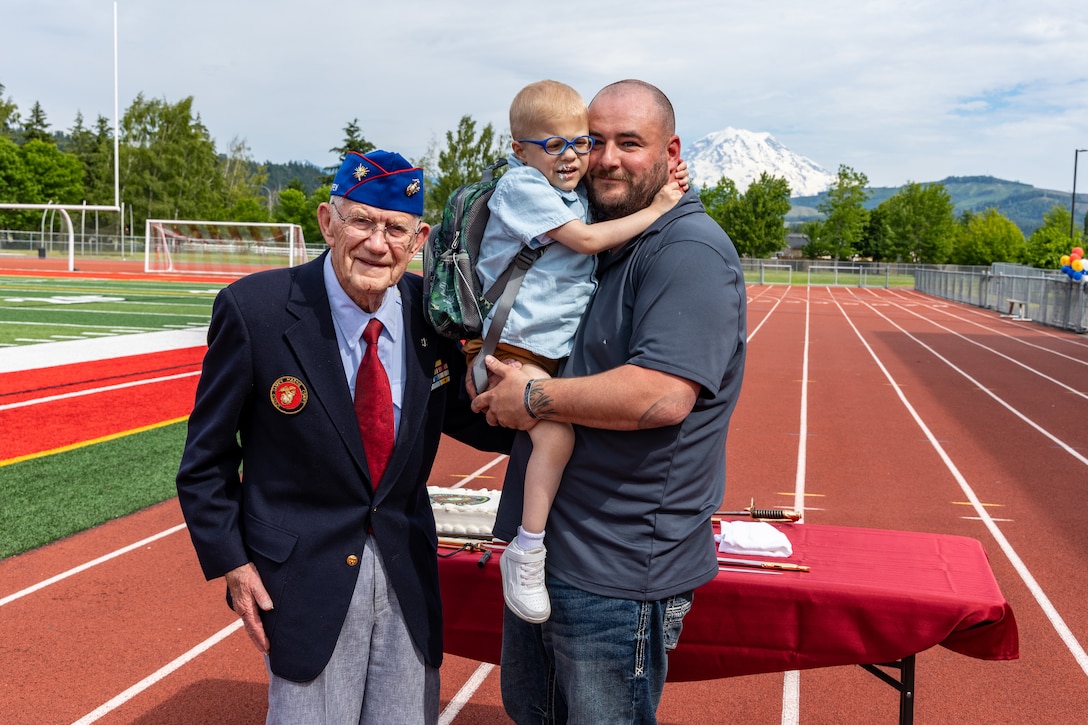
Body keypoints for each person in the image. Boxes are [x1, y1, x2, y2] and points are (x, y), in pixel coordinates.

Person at [176, 150, 511, 725]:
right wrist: (231, 563)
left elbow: (469, 415)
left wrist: (545, 406)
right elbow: (205, 460)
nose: (377, 244)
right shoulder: (254, 310)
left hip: (406, 570)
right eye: (361, 221)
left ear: (418, 238)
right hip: (301, 579)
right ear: (327, 222)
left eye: (395, 229)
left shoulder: (433, 315)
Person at [472, 79, 748, 724]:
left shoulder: (689, 252)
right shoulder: (609, 236)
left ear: (670, 150)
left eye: (631, 143)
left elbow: (659, 398)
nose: (606, 158)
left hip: (617, 570)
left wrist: (533, 396)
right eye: (596, 141)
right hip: (555, 557)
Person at [464, 79, 682, 624]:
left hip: (539, 350)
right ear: (519, 150)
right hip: (507, 350)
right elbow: (586, 241)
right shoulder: (523, 188)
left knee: (565, 429)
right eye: (553, 144)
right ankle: (526, 549)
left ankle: (532, 539)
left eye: (580, 142)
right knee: (557, 433)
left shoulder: (566, 188)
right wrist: (660, 206)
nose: (572, 157)